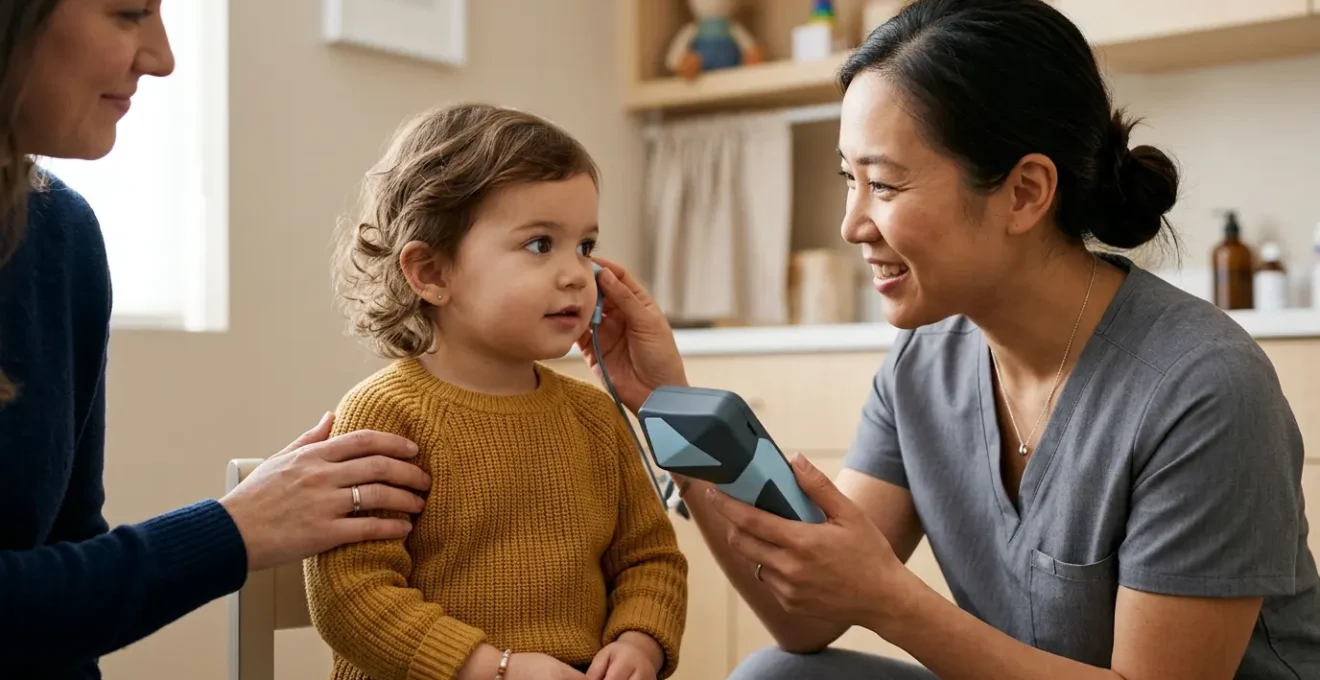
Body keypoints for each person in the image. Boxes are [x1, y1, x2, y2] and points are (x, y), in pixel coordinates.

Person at [575, 1, 1320, 678]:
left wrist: (892, 600)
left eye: (886, 185)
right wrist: (671, 406)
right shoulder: (924, 367)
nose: (850, 224)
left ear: (1025, 192)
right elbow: (805, 617)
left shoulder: (1202, 386)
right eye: (848, 179)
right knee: (777, 674)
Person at [0, 2, 434, 677]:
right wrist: (234, 530)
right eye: (127, 12)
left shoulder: (63, 235)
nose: (163, 57)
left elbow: (67, 572)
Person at [301, 103, 689, 680]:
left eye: (584, 246)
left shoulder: (595, 416)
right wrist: (491, 667)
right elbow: (351, 595)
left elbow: (650, 560)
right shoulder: (386, 414)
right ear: (430, 272)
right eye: (539, 245)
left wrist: (639, 640)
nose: (576, 274)